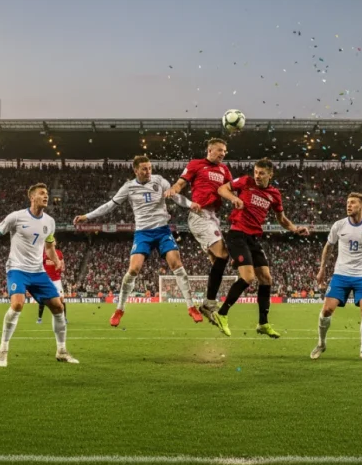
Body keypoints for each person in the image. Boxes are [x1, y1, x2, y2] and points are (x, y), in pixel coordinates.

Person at [75, 155, 203, 326]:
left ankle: (191, 306)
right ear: (135, 170)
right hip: (143, 233)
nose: (148, 171)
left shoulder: (159, 180)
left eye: (150, 168)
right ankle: (120, 309)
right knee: (134, 269)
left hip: (163, 230)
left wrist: (189, 204)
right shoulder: (129, 187)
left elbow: (175, 196)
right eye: (144, 169)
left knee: (176, 265)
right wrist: (87, 216)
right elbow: (109, 205)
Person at [212, 158, 310, 338]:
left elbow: (282, 219)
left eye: (262, 173)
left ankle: (263, 323)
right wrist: (234, 198)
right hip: (237, 234)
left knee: (266, 278)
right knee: (248, 277)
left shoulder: (274, 194)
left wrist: (295, 229)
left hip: (253, 238)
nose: (257, 176)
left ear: (270, 175)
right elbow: (221, 188)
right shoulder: (245, 182)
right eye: (256, 172)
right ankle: (222, 313)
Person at [0, 183, 78, 367]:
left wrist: (57, 260)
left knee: (58, 307)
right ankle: (3, 350)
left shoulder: (50, 222)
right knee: (18, 304)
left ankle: (61, 350)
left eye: (47, 193)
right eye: (42, 193)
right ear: (32, 197)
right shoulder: (16, 217)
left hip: (38, 271)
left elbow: (49, 246)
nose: (46, 196)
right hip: (17, 269)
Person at [311, 193, 362, 362]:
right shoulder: (339, 226)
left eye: (353, 203)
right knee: (326, 310)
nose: (348, 205)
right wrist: (322, 269)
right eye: (347, 202)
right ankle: (321, 343)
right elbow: (328, 247)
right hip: (341, 274)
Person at [165, 138, 232, 324]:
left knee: (217, 260)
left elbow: (232, 189)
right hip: (200, 215)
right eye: (219, 150)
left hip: (214, 217)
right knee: (223, 254)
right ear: (209, 150)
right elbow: (181, 183)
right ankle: (210, 303)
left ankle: (209, 305)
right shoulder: (196, 164)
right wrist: (173, 189)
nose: (223, 154)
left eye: (225, 151)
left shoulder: (224, 170)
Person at [39, 246, 65, 324]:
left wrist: (60, 267)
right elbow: (40, 264)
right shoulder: (44, 253)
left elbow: (62, 266)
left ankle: (63, 317)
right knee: (42, 299)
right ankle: (39, 318)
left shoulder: (59, 253)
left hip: (57, 279)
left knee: (61, 299)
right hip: (47, 279)